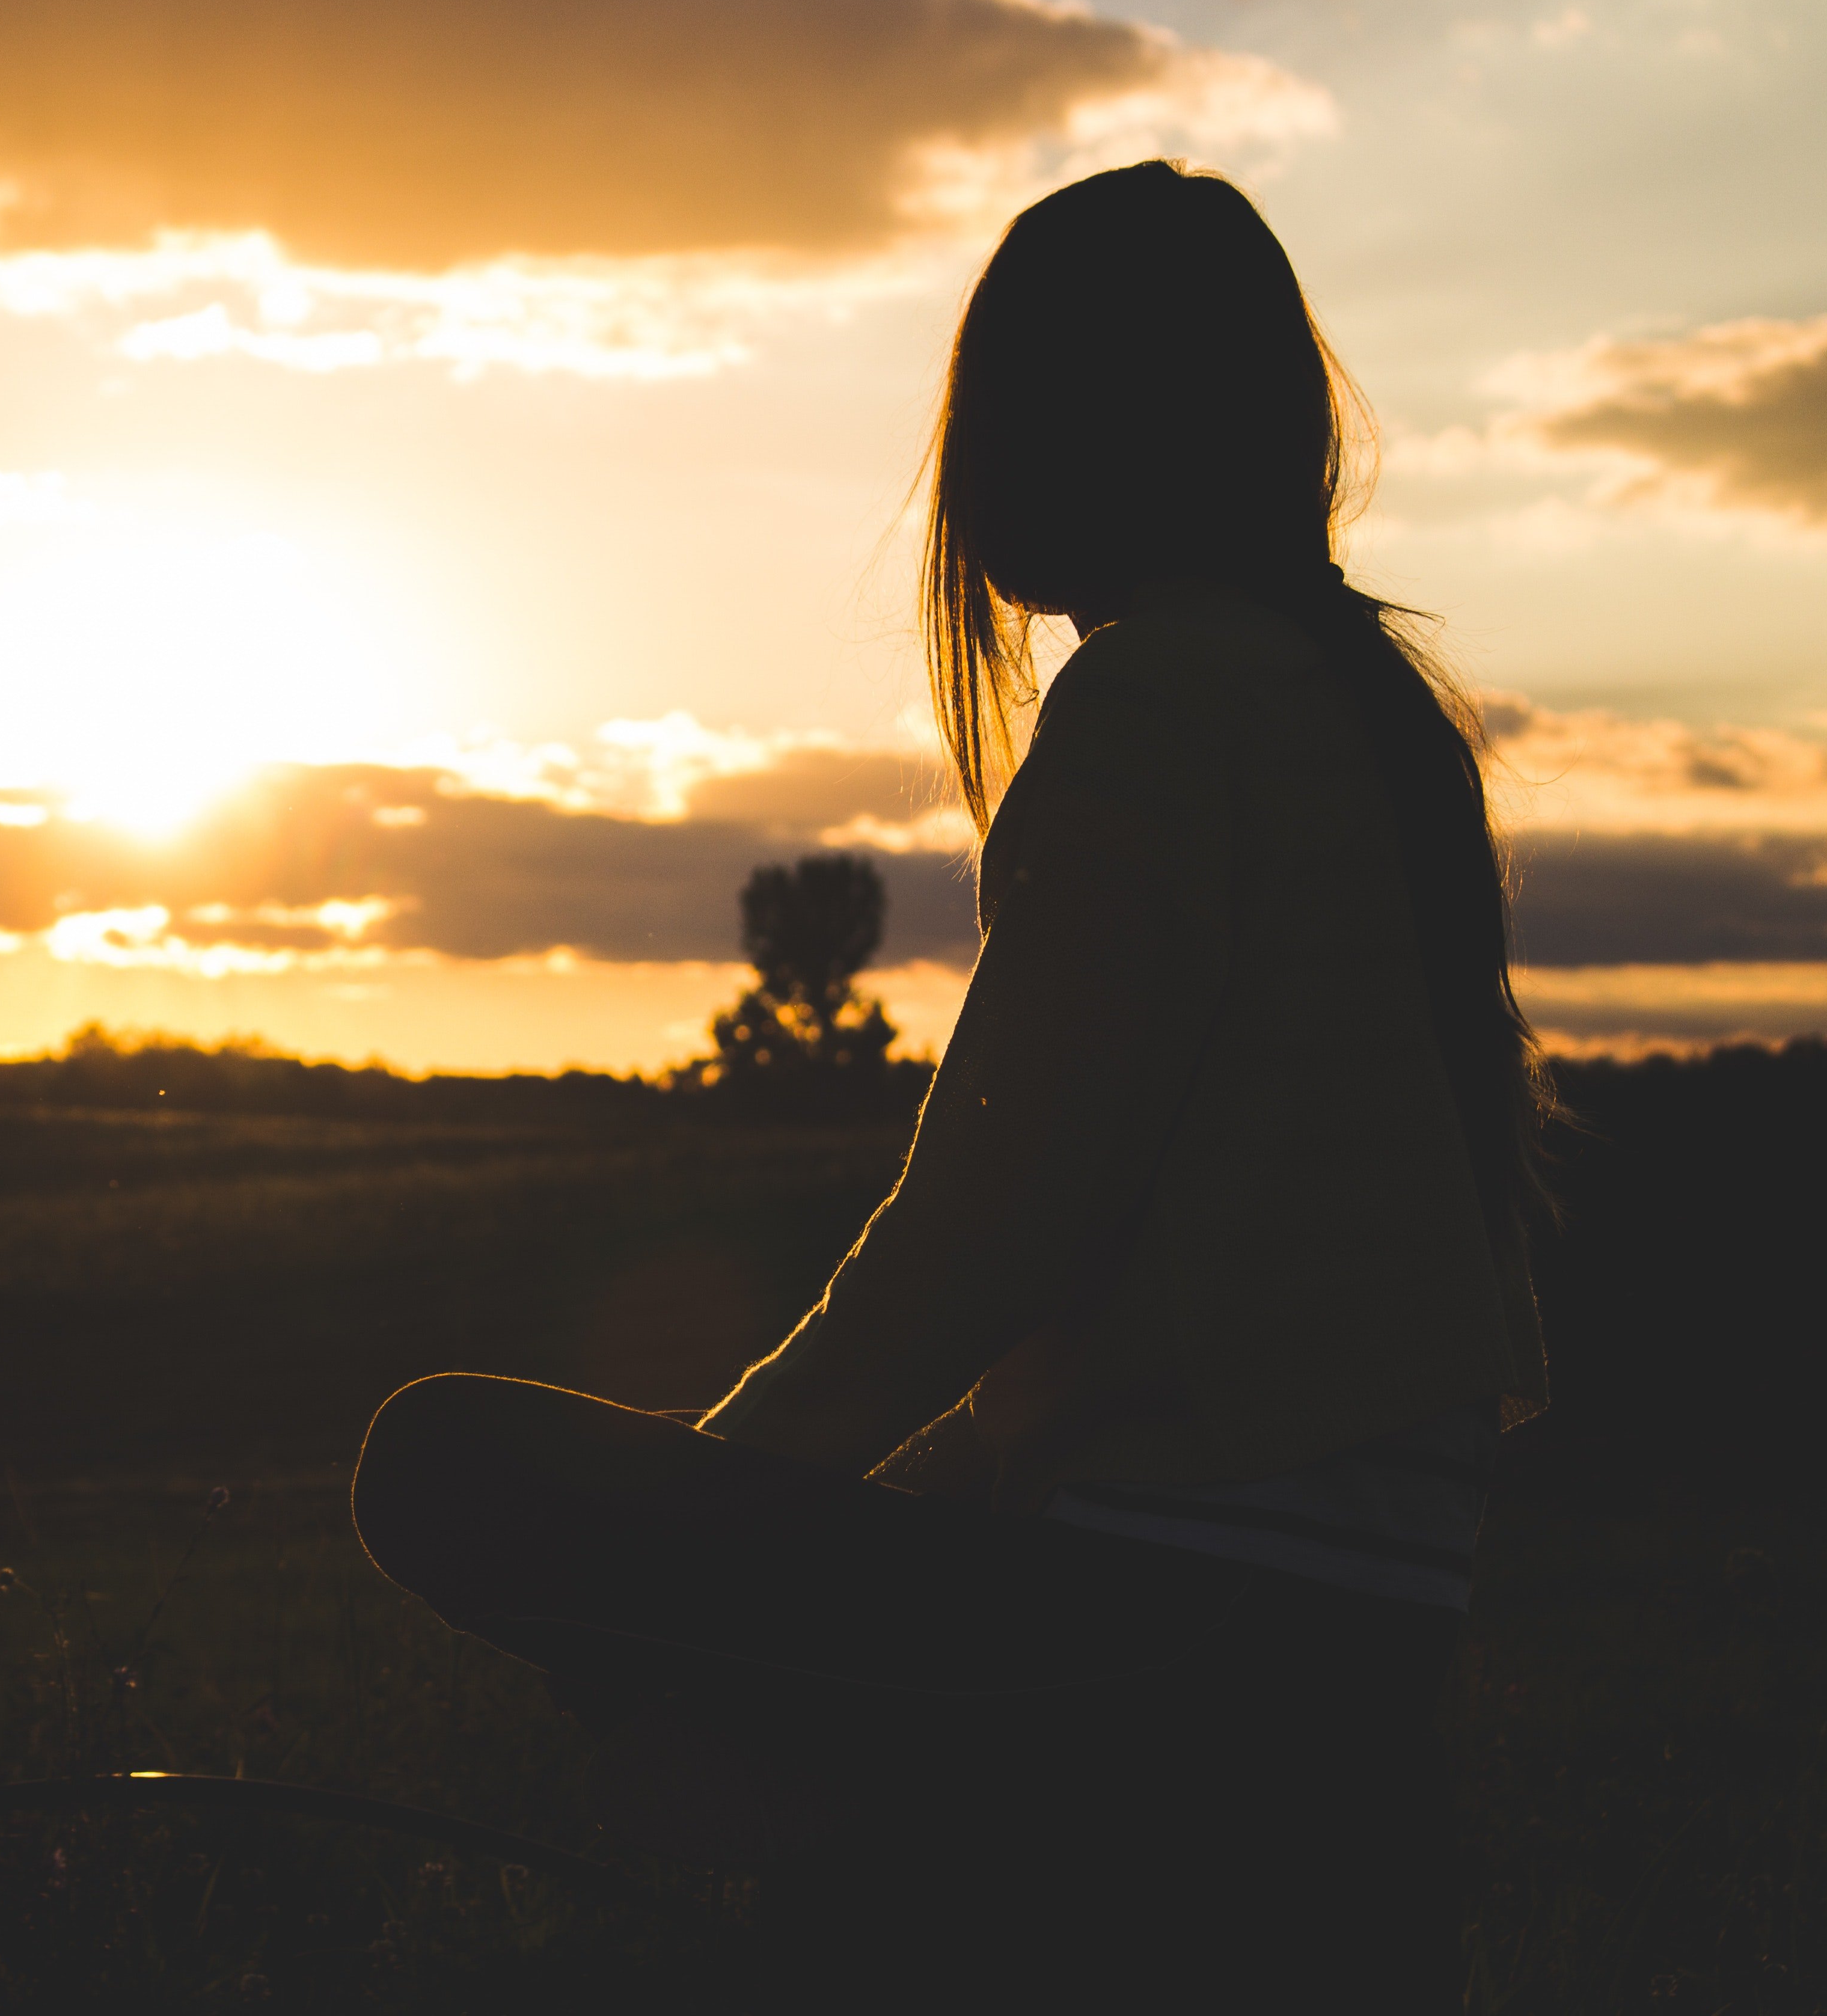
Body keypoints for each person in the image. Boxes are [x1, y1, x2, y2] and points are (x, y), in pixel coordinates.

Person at [350, 160, 1555, 2008]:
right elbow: (1147, 1292)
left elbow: (982, 1235)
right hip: (1367, 1631)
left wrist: (703, 1513)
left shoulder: (1158, 708)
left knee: (438, 1458)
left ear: (1079, 428)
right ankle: (880, 1807)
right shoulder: (1380, 723)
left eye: (993, 406)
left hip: (1171, 1629)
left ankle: (855, 1782)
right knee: (864, 1881)